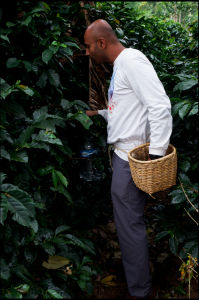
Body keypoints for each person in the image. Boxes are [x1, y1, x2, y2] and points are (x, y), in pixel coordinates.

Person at [84, 19, 172, 299]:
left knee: (130, 224)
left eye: (88, 47)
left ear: (101, 42)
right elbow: (127, 109)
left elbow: (159, 106)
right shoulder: (121, 65)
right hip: (122, 156)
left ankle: (141, 291)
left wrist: (155, 155)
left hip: (131, 160)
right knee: (127, 221)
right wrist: (99, 115)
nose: (87, 53)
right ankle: (136, 272)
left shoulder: (132, 61)